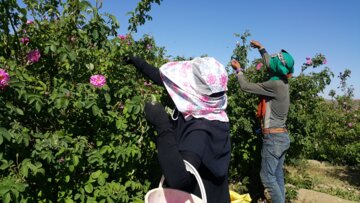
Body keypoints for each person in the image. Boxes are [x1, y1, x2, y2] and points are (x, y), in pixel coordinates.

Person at [126, 56, 231, 203]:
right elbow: (166, 80)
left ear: (193, 91)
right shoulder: (213, 111)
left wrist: (162, 124)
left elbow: (179, 179)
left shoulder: (200, 130)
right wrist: (138, 62)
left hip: (200, 197)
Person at [230, 40, 294, 203]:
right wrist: (261, 49)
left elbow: (246, 87)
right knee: (277, 176)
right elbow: (270, 64)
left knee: (266, 177)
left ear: (276, 68)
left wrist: (239, 71)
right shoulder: (283, 81)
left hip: (273, 139)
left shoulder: (274, 84)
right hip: (282, 137)